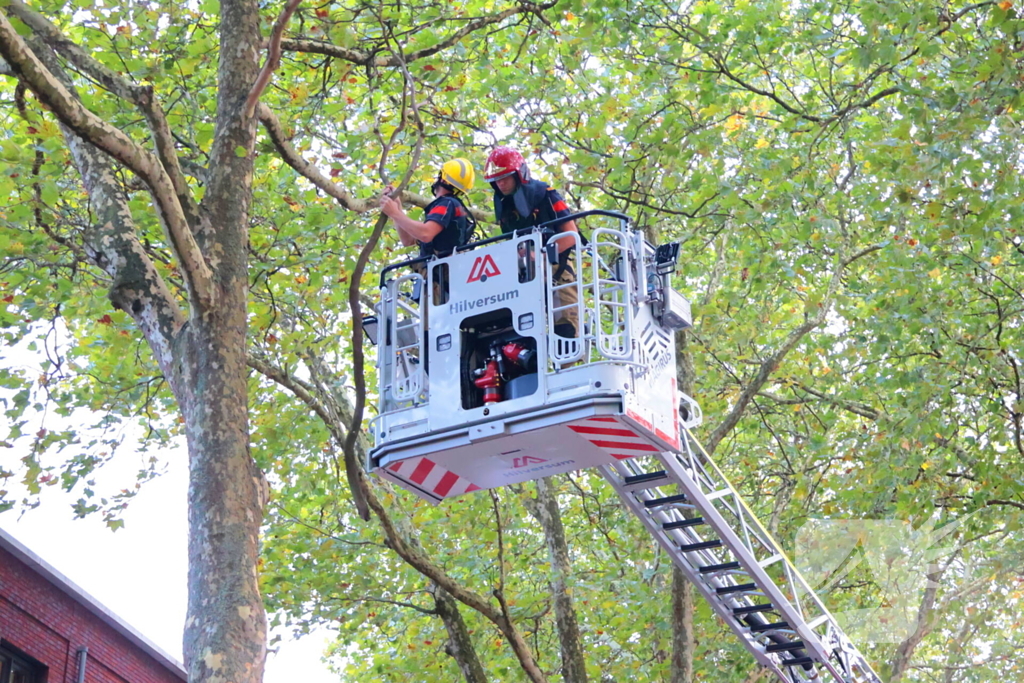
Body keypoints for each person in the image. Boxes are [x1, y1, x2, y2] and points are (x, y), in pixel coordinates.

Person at [484, 145, 580, 339]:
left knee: (566, 329)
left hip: (556, 268)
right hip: (523, 275)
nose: (500, 184)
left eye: (504, 177)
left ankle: (569, 365)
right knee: (519, 329)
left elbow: (571, 235)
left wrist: (542, 255)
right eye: (496, 180)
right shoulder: (505, 208)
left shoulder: (546, 193)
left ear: (519, 174)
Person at [380, 158, 476, 259]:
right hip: (438, 270)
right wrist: (397, 207)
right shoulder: (452, 206)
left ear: (442, 179)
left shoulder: (446, 204)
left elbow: (425, 234)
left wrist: (394, 213)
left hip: (441, 270)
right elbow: (408, 240)